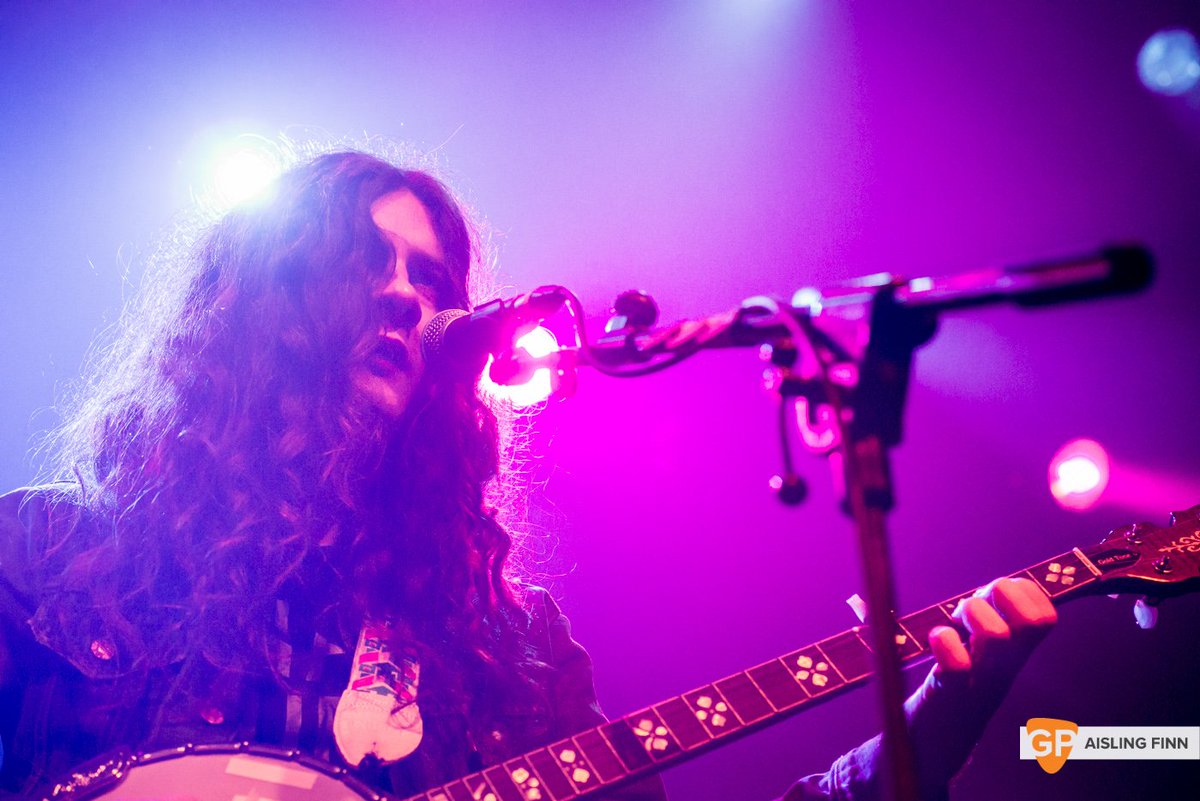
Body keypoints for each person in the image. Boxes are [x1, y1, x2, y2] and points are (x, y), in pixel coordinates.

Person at [0, 149, 1055, 800]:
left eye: (430, 278)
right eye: (360, 264)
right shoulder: (45, 558)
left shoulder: (506, 649)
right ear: (257, 304)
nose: (405, 296)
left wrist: (927, 734)